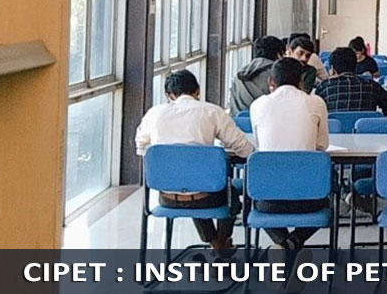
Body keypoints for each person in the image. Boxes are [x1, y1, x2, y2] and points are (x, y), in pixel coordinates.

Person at [134, 70, 254, 259]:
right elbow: (245, 149)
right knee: (227, 195)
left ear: (169, 96)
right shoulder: (212, 111)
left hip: (166, 197)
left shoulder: (154, 113)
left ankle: (216, 246)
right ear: (197, 91)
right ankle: (220, 247)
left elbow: (142, 148)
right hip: (206, 195)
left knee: (193, 183)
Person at [247, 57, 330, 257]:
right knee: (329, 203)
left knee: (255, 202)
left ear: (271, 83)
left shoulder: (257, 105)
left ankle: (284, 247)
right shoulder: (315, 102)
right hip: (310, 198)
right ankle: (292, 245)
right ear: (301, 82)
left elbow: (260, 146)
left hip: (268, 199)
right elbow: (322, 145)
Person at [313, 47, 387, 115]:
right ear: (355, 67)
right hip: (365, 134)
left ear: (332, 69)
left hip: (333, 134)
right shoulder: (372, 86)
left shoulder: (324, 87)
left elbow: (314, 114)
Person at [227, 36, 286, 113]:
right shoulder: (277, 74)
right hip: (265, 122)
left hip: (238, 122)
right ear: (278, 54)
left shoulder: (239, 75)